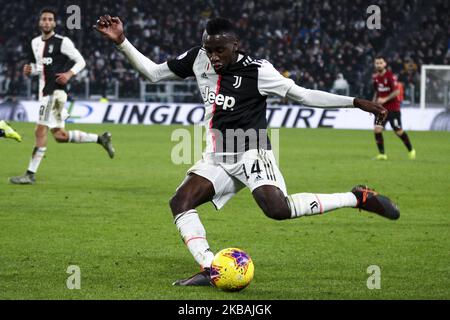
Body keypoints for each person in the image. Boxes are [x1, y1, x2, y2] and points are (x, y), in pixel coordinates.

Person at [95, 16, 399, 286]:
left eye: (220, 50)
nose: (213, 56)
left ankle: (357, 197)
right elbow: (153, 73)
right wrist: (122, 41)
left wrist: (356, 102)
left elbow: (303, 96)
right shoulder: (197, 58)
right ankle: (210, 267)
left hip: (252, 151)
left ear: (235, 45)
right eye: (209, 49)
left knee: (276, 210)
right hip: (217, 156)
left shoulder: (259, 71)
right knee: (180, 201)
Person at [10, 8, 115, 185]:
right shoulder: (35, 43)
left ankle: (30, 174)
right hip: (45, 93)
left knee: (39, 131)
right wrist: (30, 70)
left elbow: (81, 61)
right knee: (60, 136)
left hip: (54, 93)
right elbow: (41, 68)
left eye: (50, 19)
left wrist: (69, 74)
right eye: (43, 19)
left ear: (54, 23)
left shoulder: (62, 42)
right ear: (39, 22)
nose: (46, 22)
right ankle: (100, 138)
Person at [372, 56, 416, 160]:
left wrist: (385, 99)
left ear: (385, 64)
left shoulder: (391, 76)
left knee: (398, 131)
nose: (378, 65)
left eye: (380, 63)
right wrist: (372, 105)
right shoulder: (375, 78)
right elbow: (376, 92)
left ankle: (411, 150)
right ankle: (382, 154)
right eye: (377, 63)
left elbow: (397, 91)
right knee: (377, 130)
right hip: (381, 110)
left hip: (393, 109)